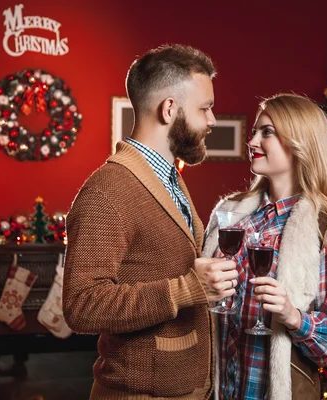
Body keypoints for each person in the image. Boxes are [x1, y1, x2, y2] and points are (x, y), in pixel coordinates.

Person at [62, 44, 238, 399]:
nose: (213, 120)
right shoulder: (107, 190)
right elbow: (81, 305)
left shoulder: (168, 177)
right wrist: (187, 288)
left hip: (182, 389)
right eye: (205, 108)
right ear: (169, 108)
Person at [202, 93, 327, 399]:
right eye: (254, 132)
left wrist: (293, 316)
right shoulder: (230, 212)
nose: (252, 142)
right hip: (213, 391)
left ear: (300, 142)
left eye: (267, 132)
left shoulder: (326, 230)